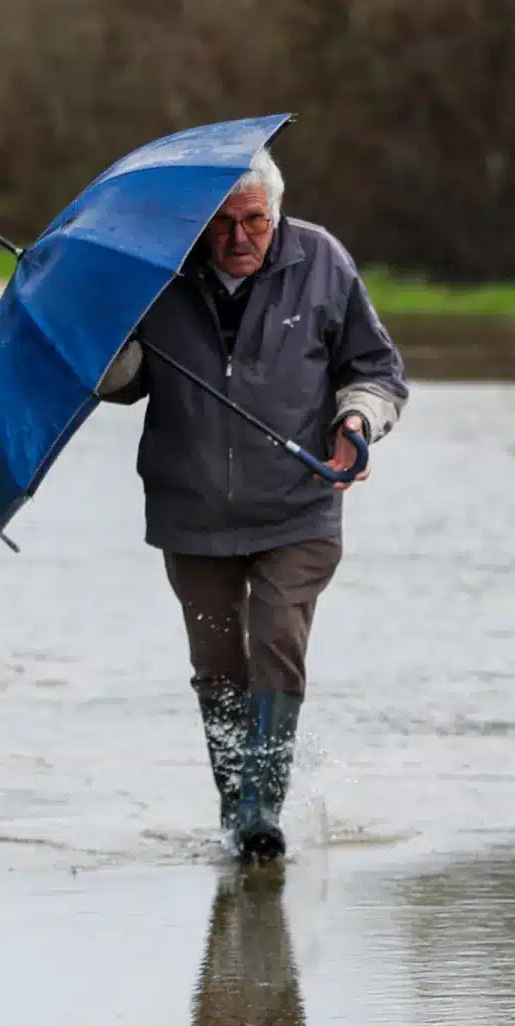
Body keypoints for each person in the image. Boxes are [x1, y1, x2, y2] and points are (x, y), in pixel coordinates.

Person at [95, 147, 409, 861]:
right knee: (217, 669)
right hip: (191, 512)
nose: (240, 239)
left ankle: (262, 811)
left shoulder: (323, 262)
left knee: (275, 642)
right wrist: (105, 335)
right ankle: (236, 809)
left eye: (256, 222)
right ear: (203, 224)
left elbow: (377, 371)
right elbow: (124, 383)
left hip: (297, 507)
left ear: (277, 211)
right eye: (224, 224)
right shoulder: (160, 277)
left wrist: (356, 423)